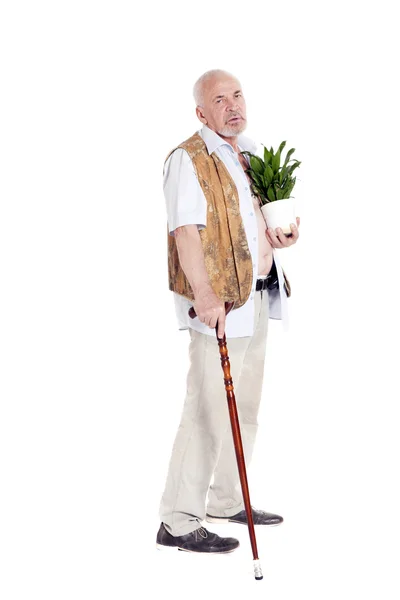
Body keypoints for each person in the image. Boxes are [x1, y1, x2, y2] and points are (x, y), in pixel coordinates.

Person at [156, 69, 300, 554]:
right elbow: (186, 232)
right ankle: (177, 520)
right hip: (220, 305)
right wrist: (203, 293)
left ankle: (226, 498)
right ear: (202, 112)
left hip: (259, 292)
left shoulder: (251, 150)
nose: (233, 105)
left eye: (237, 94)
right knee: (206, 411)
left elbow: (255, 218)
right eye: (220, 100)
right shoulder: (189, 158)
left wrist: (279, 235)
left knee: (248, 408)